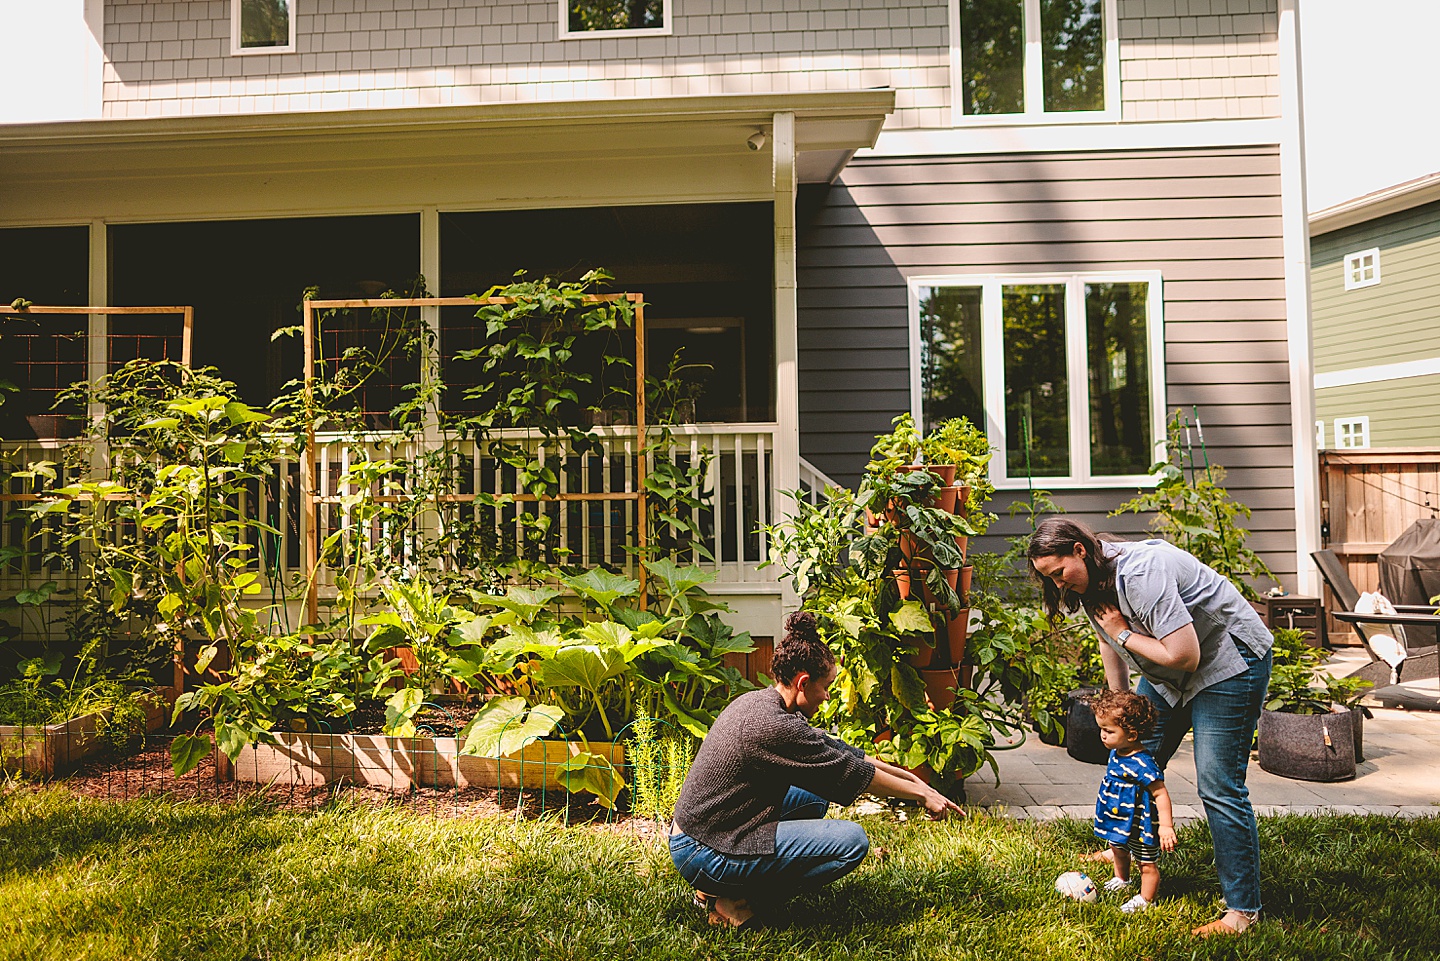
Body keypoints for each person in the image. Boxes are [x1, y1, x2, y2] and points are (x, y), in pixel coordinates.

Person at [1027, 517, 1272, 937]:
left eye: (1060, 573)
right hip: (1167, 673)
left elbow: (1183, 656)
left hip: (1229, 663)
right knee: (1129, 761)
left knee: (1218, 784)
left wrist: (1122, 633)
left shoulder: (1142, 572)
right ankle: (1125, 848)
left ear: (1080, 550)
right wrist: (1121, 707)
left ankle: (1243, 911)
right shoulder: (1090, 585)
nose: (1060, 586)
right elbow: (1109, 643)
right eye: (1050, 579)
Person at [669, 610, 962, 929]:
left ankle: (719, 886)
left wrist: (924, 788)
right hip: (702, 850)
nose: (826, 697)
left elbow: (847, 755)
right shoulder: (774, 726)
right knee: (850, 843)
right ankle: (732, 897)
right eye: (826, 687)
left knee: (814, 796)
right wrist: (920, 795)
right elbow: (854, 775)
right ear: (803, 682)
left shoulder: (765, 703)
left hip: (709, 831)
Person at [1084, 689, 1176, 914]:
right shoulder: (1117, 751)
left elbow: (1161, 793)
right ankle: (1121, 878)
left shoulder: (1143, 764)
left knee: (1145, 862)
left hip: (1139, 823)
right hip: (1118, 817)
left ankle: (1146, 899)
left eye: (1108, 731)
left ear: (1132, 735)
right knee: (1118, 848)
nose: (1102, 735)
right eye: (1101, 730)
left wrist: (1165, 826)